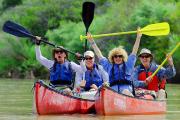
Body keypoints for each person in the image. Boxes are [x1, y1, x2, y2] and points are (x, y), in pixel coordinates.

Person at [86, 28, 142, 97]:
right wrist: (92, 41)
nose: (118, 58)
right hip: (113, 92)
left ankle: (132, 102)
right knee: (106, 91)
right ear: (112, 58)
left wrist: (138, 37)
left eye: (120, 56)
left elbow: (134, 51)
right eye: (115, 56)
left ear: (123, 57)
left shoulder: (128, 65)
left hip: (126, 90)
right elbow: (99, 55)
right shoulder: (109, 66)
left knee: (125, 92)